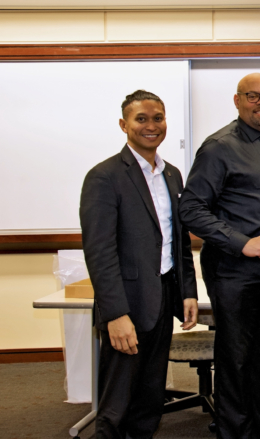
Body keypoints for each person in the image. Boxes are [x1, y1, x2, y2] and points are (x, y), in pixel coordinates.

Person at [179, 73, 260, 439]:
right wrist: (241, 241)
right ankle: (233, 433)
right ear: (237, 100)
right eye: (253, 96)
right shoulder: (218, 147)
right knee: (235, 360)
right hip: (233, 271)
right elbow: (192, 209)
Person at [80, 90, 198, 438]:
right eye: (141, 119)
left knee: (149, 400)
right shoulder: (105, 176)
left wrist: (187, 292)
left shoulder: (172, 175)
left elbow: (180, 241)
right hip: (127, 307)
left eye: (157, 118)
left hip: (161, 300)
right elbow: (99, 252)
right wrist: (115, 314)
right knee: (117, 406)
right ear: (124, 125)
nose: (151, 126)